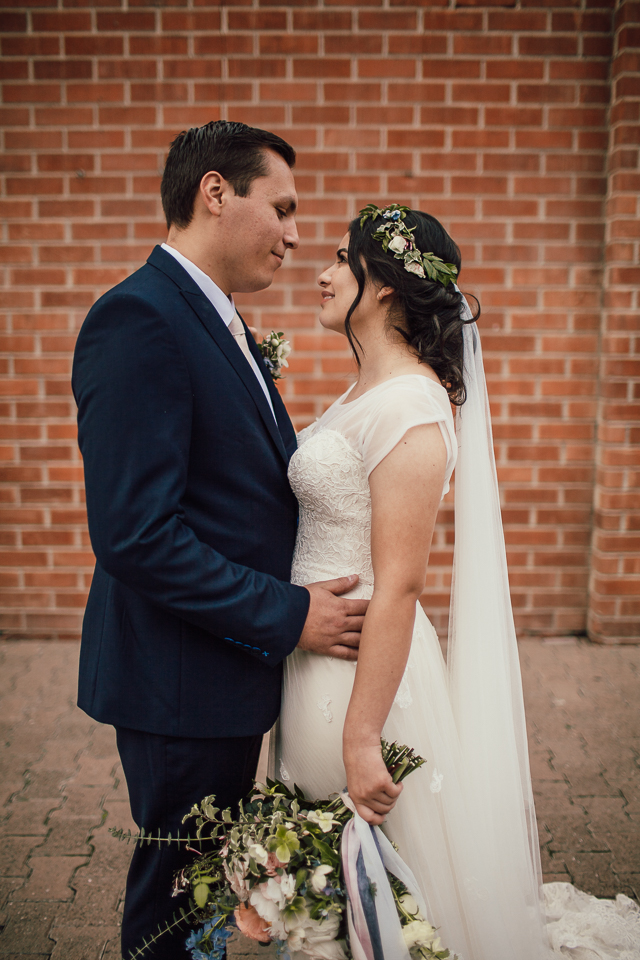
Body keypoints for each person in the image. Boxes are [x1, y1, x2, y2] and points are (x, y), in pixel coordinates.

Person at [272, 205, 640, 959]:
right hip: (309, 656)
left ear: (384, 287)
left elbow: (402, 583)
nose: (321, 270)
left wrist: (363, 735)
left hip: (364, 678)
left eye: (344, 259)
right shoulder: (359, 394)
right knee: (330, 887)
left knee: (388, 888)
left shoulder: (410, 404)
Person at [71, 120, 369, 960]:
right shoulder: (138, 319)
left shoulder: (218, 318)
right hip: (180, 678)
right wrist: (288, 615)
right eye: (281, 207)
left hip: (220, 670)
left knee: (204, 887)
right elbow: (136, 533)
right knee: (176, 903)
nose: (296, 234)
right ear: (215, 193)